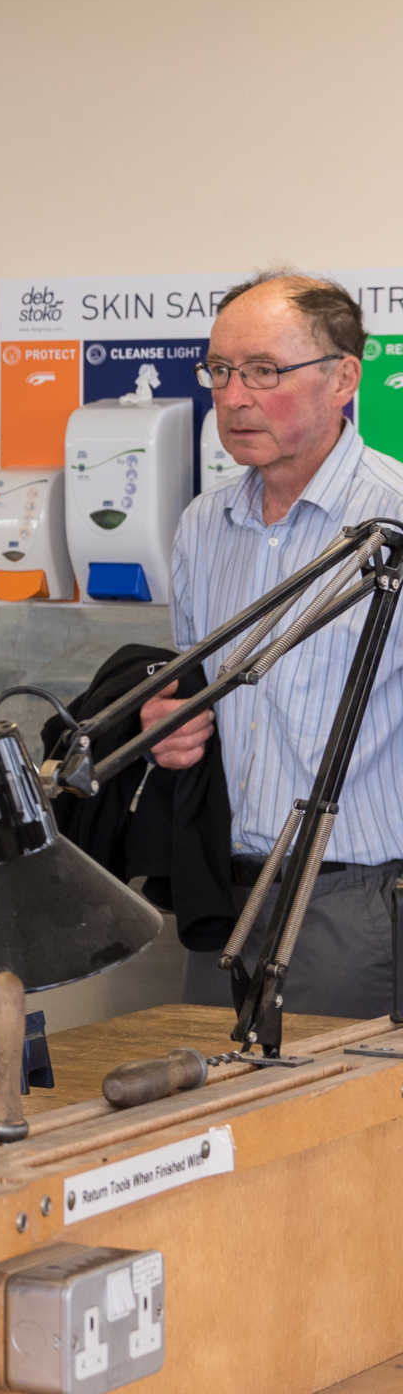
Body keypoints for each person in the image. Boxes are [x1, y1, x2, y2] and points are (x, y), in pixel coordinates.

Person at [141, 272, 403, 1017]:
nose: (233, 396)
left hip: (358, 904)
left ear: (343, 379)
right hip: (224, 897)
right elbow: (198, 695)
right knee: (211, 1125)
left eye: (263, 371)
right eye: (219, 371)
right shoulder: (203, 525)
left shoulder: (395, 522)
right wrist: (173, 725)